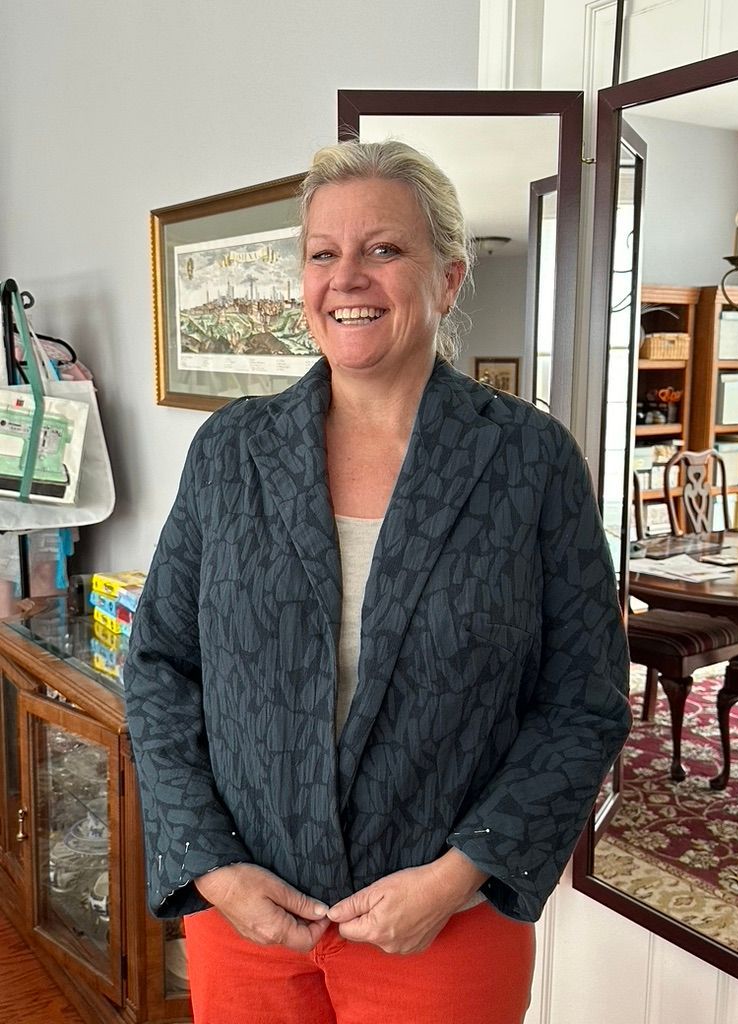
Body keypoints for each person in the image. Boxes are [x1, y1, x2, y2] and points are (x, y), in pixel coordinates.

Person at [124, 139, 631, 1024]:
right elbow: (161, 666)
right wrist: (211, 864)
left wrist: (458, 874)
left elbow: (583, 701)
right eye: (324, 253)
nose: (347, 277)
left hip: (441, 927)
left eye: (384, 250)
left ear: (447, 279)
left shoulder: (528, 460)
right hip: (249, 917)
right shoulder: (233, 451)